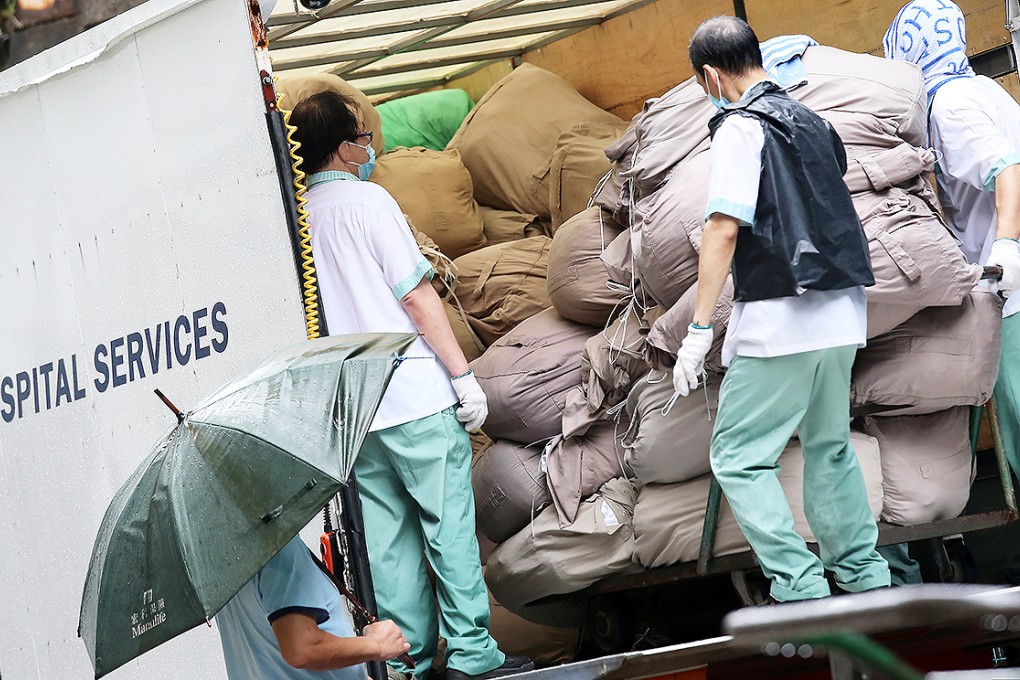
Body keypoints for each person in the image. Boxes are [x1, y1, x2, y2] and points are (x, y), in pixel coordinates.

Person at [288, 91, 533, 680]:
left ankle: (407, 665)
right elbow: (418, 296)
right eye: (364, 140)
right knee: (448, 528)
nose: (370, 149)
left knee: (387, 544)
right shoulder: (369, 201)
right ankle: (473, 654)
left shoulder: (295, 217)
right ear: (346, 147)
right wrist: (462, 376)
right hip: (413, 396)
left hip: (353, 414)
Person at [674, 16, 891, 603]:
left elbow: (722, 228)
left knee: (739, 456)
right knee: (830, 445)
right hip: (843, 311)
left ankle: (798, 587)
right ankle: (864, 575)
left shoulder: (739, 129)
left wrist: (698, 330)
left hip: (780, 318)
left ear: (712, 75)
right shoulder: (814, 121)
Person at [884, 0, 1020, 477]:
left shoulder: (949, 107)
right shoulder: (984, 88)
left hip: (1013, 295)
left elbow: (1009, 171)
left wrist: (1006, 248)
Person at [216, 535, 410, 679]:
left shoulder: (219, 553)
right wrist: (376, 644)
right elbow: (303, 648)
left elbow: (269, 651)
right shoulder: (280, 548)